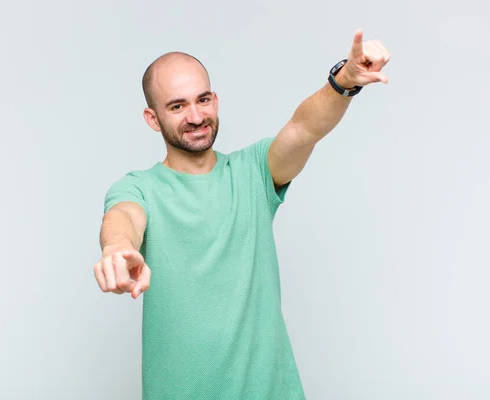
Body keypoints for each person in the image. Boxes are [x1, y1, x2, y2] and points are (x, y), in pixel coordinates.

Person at [93, 29, 390, 399]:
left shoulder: (254, 171)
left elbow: (304, 127)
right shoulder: (138, 187)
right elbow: (123, 218)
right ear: (153, 119)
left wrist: (343, 83)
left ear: (215, 100)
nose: (196, 116)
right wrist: (117, 250)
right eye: (177, 106)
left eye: (203, 100)